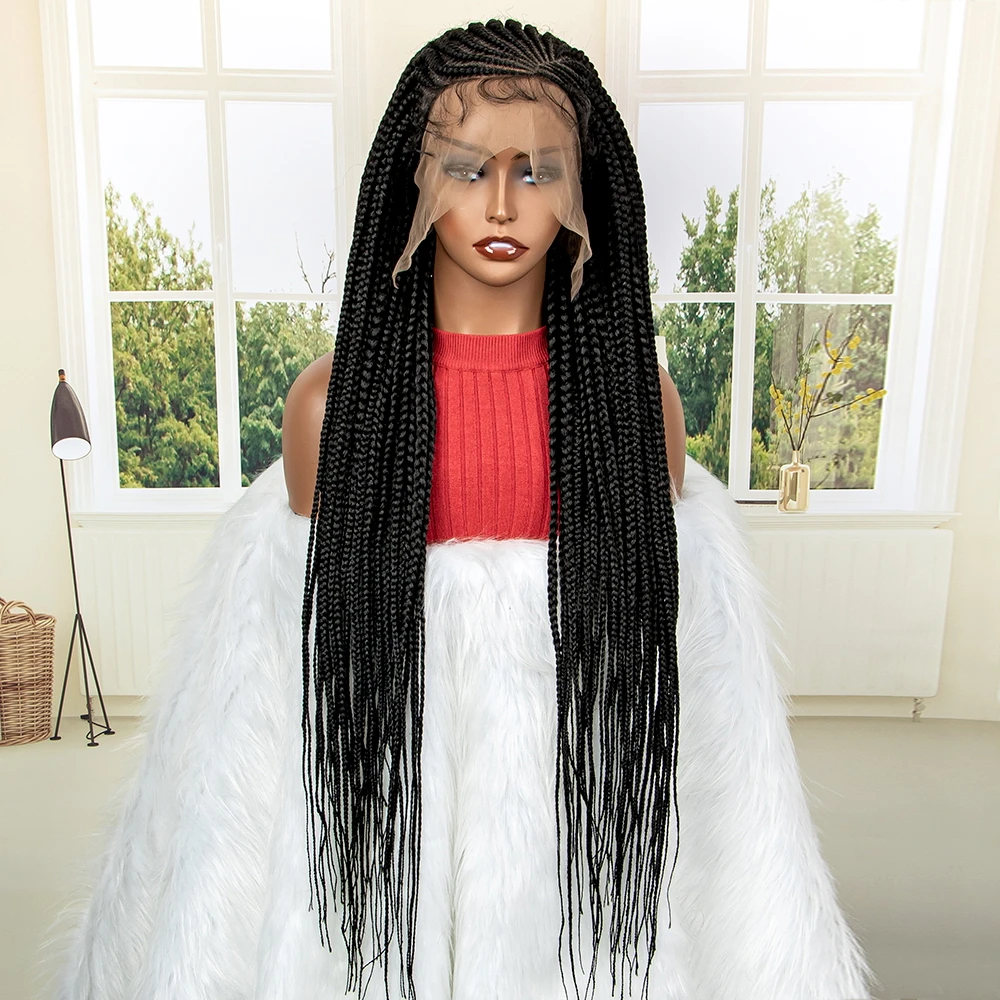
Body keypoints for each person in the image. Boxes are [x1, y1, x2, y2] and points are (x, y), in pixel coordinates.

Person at [45, 19, 875, 1000]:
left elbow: (709, 735)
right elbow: (259, 735)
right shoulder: (332, 412)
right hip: (373, 851)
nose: (501, 204)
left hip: (578, 855)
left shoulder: (635, 411)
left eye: (539, 172)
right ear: (414, 179)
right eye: (467, 168)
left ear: (584, 189)